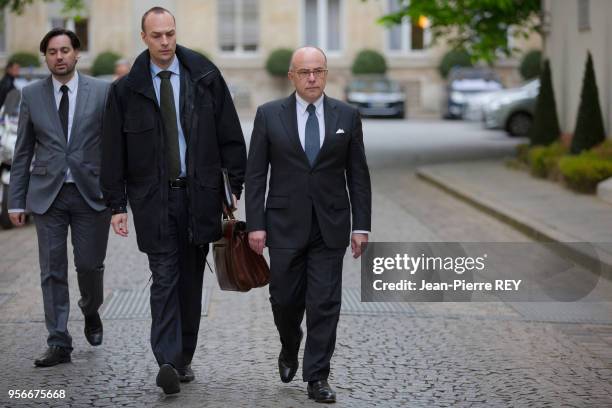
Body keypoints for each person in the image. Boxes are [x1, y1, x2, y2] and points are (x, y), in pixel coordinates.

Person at [100, 7, 246, 395]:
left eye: (170, 33)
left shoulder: (205, 76)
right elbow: (113, 152)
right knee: (164, 277)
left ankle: (182, 357)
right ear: (144, 38)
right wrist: (116, 205)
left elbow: (229, 132)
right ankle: (166, 359)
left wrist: (236, 182)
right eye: (157, 35)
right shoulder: (125, 90)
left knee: (190, 281)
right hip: (153, 200)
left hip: (199, 196)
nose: (165, 42)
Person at [245, 46, 372, 403]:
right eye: (305, 72)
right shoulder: (269, 115)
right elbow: (256, 174)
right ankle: (289, 344)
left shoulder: (347, 115)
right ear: (292, 76)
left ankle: (317, 376)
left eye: (318, 71)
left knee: (325, 303)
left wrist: (361, 226)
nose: (312, 78)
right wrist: (256, 224)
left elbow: (358, 175)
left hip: (330, 225)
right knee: (284, 299)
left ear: (327, 73)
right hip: (284, 224)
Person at [8, 28, 111, 367]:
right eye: (52, 52)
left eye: (65, 50)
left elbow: (114, 148)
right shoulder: (32, 95)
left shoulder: (100, 91)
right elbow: (22, 151)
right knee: (51, 270)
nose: (60, 57)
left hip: (90, 195)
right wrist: (15, 200)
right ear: (46, 58)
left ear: (77, 53)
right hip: (47, 195)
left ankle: (90, 309)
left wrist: (118, 195)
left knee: (89, 266)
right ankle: (58, 341)